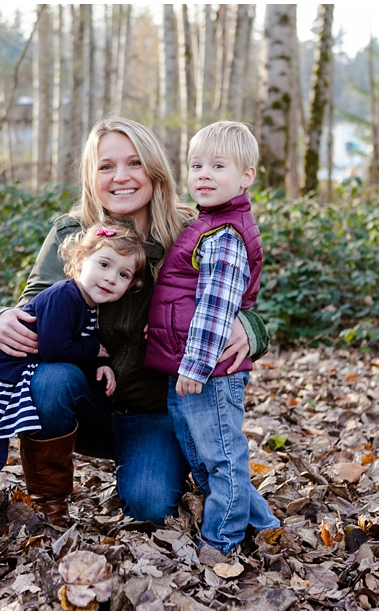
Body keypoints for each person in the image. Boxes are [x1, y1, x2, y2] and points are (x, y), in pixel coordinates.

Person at [0, 117, 270, 527]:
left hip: (156, 409)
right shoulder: (71, 233)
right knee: (49, 379)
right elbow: (31, 310)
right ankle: (50, 505)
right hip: (85, 401)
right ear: (92, 176)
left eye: (134, 163)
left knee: (149, 507)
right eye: (106, 166)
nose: (121, 177)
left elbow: (238, 292)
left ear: (155, 169)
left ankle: (172, 469)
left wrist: (249, 328)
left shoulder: (192, 231)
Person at [0, 220, 147, 547]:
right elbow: (55, 348)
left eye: (123, 275)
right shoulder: (66, 296)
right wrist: (94, 349)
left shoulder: (87, 303)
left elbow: (85, 338)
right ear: (79, 261)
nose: (111, 278)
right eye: (104, 265)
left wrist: (101, 360)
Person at [145, 121, 281, 554]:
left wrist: (196, 365)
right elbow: (182, 294)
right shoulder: (205, 224)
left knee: (222, 459)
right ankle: (265, 527)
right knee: (205, 458)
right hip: (188, 367)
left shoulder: (225, 234)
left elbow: (216, 308)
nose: (203, 174)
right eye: (196, 164)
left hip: (208, 372)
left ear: (246, 176)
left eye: (217, 166)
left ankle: (221, 543)